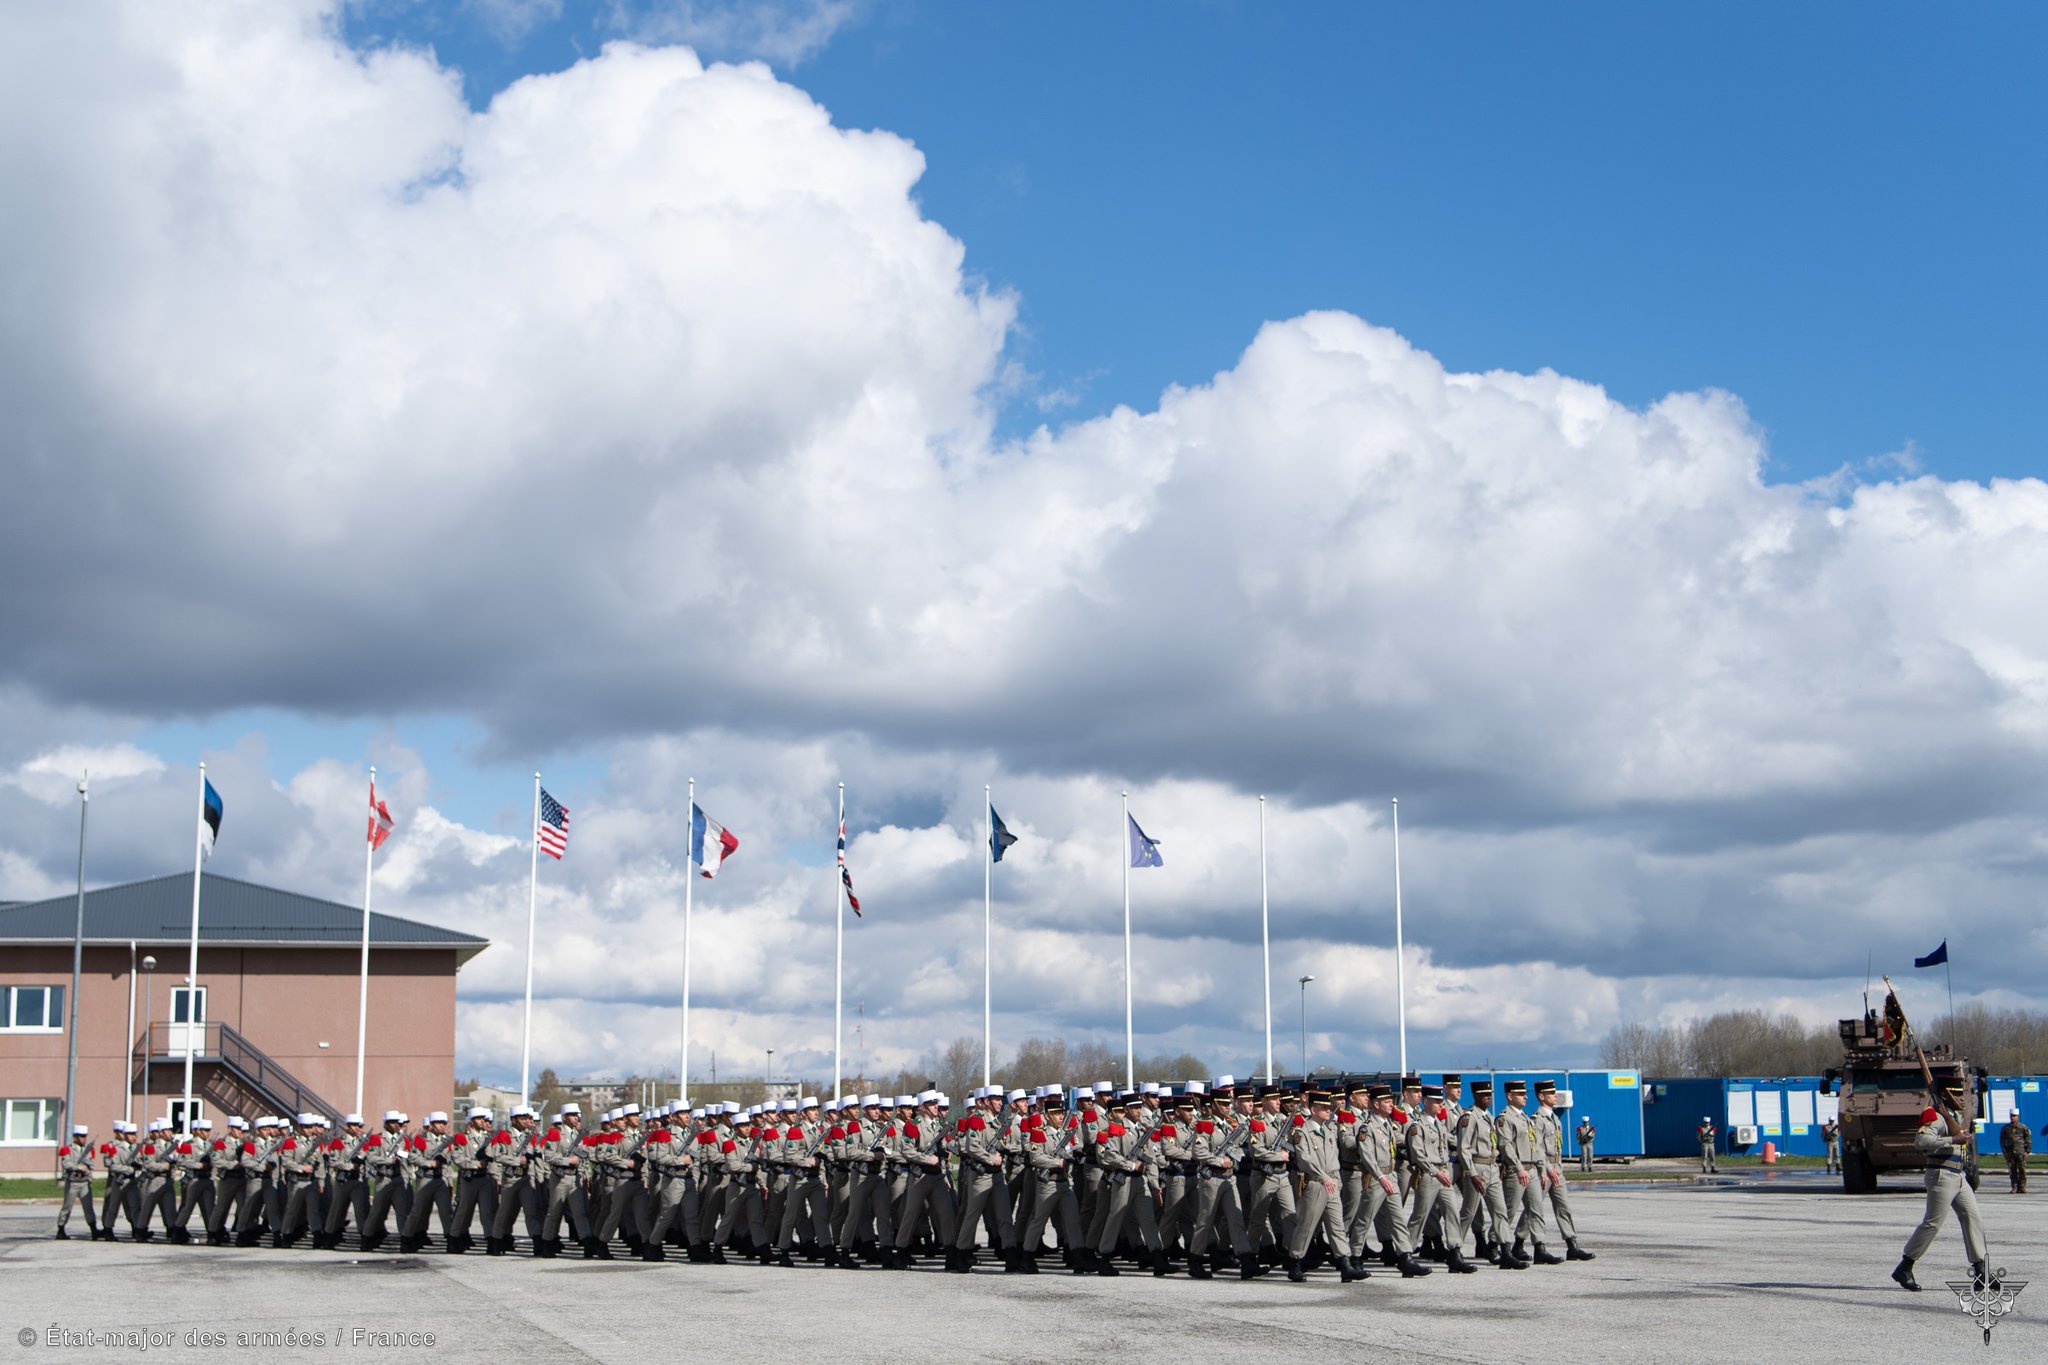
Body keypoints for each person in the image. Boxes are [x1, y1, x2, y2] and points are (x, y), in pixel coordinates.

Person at [1893, 1079, 1988, 1292]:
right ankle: (1905, 1266)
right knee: (1932, 1223)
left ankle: (1981, 1271)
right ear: (1945, 1096)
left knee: (1973, 1218)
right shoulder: (1934, 1116)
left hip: (1958, 1176)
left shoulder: (1954, 1117)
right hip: (1941, 1175)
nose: (1962, 1098)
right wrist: (1952, 1140)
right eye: (1957, 1094)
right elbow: (1921, 1142)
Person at [56, 1123, 98, 1240]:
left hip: (84, 1182)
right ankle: (61, 1228)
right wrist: (78, 1167)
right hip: (73, 1182)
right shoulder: (68, 1149)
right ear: (75, 1137)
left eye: (85, 1136)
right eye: (81, 1136)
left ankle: (93, 1229)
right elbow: (66, 1164)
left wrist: (89, 1173)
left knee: (88, 1207)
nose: (84, 1139)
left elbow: (90, 1164)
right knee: (67, 1207)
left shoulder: (88, 1150)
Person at [2000, 1113, 2031, 1195]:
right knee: (2012, 1170)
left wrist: (2027, 1151)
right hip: (2010, 1152)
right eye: (2011, 1116)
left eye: (2014, 1116)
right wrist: (2005, 1152)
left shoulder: (2023, 1127)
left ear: (2018, 1117)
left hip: (2021, 1152)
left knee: (2022, 1170)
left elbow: (2028, 1139)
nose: (2012, 1118)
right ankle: (2014, 1186)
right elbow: (2002, 1141)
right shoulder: (2006, 1128)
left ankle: (2022, 1187)